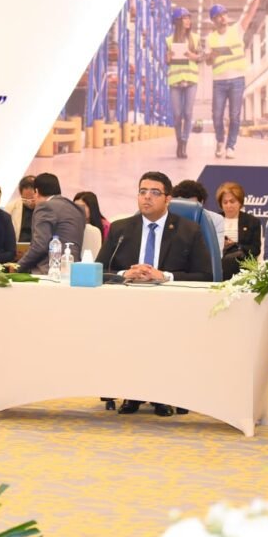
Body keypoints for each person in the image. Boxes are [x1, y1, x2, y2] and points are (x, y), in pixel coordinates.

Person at [97, 171, 212, 417]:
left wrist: (165, 276)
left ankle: (163, 394)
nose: (147, 197)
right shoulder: (121, 229)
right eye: (142, 191)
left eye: (154, 192)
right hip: (126, 307)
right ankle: (132, 392)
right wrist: (125, 273)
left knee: (159, 334)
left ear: (168, 199)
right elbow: (98, 270)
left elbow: (206, 275)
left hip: (170, 309)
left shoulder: (188, 230)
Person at [205, 0, 260, 160]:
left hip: (237, 79)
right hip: (219, 81)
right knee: (217, 116)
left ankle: (231, 147)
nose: (222, 18)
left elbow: (251, 13)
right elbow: (208, 62)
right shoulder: (210, 38)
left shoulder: (237, 29)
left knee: (235, 116)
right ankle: (220, 141)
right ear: (214, 20)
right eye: (218, 16)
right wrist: (211, 56)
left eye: (224, 14)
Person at [15, 173, 85, 274]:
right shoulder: (76, 208)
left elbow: (39, 246)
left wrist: (17, 267)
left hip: (49, 271)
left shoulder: (45, 207)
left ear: (36, 191)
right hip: (75, 270)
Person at [165, 6, 202, 159]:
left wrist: (191, 55)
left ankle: (184, 142)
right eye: (185, 18)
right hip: (175, 81)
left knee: (187, 113)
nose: (188, 21)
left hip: (191, 80)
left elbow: (200, 57)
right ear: (177, 21)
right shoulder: (169, 40)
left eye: (189, 18)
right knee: (177, 115)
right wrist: (168, 57)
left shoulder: (195, 38)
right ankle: (179, 142)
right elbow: (167, 61)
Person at [215, 181, 262, 280]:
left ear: (240, 202)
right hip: (218, 263)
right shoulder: (214, 220)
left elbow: (255, 249)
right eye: (225, 202)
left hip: (242, 266)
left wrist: (235, 246)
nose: (229, 205)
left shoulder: (252, 221)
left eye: (232, 201)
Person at [172, 179, 225, 250]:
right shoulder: (169, 218)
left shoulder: (215, 219)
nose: (188, 209)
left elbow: (217, 251)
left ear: (202, 202)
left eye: (192, 205)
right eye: (184, 205)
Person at [5, 175, 37, 242]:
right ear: (21, 192)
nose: (30, 191)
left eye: (32, 188)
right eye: (26, 188)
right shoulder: (11, 207)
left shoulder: (45, 208)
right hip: (17, 245)